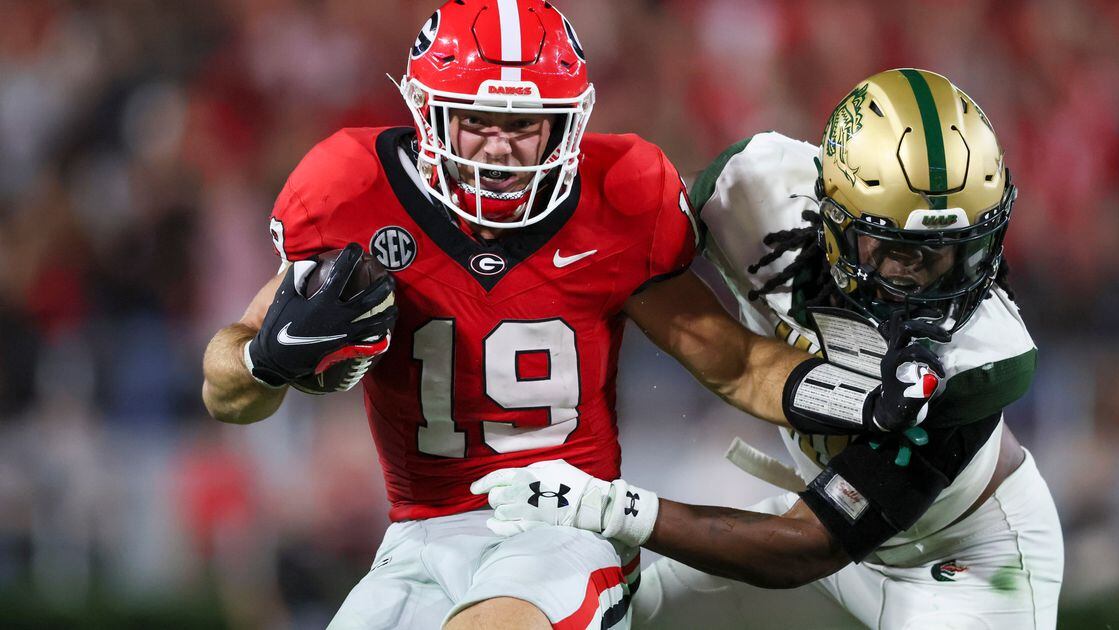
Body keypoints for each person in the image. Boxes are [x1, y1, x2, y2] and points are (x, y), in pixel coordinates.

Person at [201, 3, 938, 628]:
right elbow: (223, 387)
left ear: (568, 124)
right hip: (419, 534)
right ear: (429, 114)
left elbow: (737, 362)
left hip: (570, 525)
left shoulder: (620, 196)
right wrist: (266, 359)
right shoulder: (354, 191)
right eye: (479, 121)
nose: (500, 148)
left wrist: (857, 396)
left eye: (524, 126)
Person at [474, 69, 1064, 629]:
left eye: (957, 250)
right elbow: (631, 255)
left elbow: (809, 546)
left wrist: (612, 508)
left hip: (966, 557)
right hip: (819, 517)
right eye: (900, 250)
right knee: (614, 613)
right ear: (835, 215)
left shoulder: (981, 359)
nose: (932, 281)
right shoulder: (753, 192)